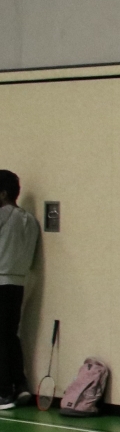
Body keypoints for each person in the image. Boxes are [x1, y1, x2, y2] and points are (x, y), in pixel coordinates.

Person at [0, 170, 41, 410]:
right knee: (9, 336)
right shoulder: (30, 221)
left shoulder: (3, 215)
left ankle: (3, 393)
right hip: (17, 284)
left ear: (3, 193)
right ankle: (20, 385)